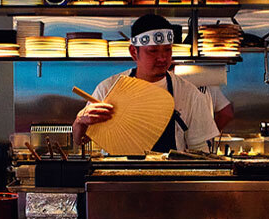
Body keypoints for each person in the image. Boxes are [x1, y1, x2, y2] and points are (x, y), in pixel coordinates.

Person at [72, 14, 219, 153]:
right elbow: (81, 141)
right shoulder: (108, 89)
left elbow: (200, 149)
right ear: (134, 52)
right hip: (117, 170)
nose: (162, 58)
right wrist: (80, 122)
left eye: (167, 50)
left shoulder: (189, 94)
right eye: (153, 51)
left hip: (169, 171)